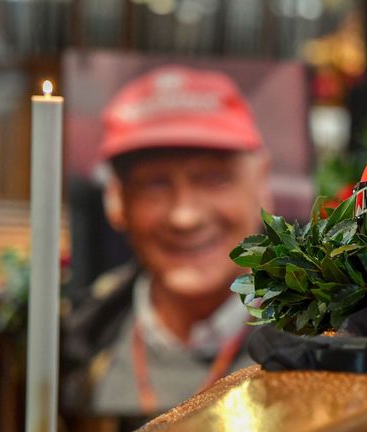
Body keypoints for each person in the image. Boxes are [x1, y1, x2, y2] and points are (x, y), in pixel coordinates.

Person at [61, 66, 272, 425]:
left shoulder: (323, 344)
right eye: (155, 184)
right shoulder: (74, 341)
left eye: (213, 179)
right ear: (116, 199)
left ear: (261, 183)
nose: (184, 217)